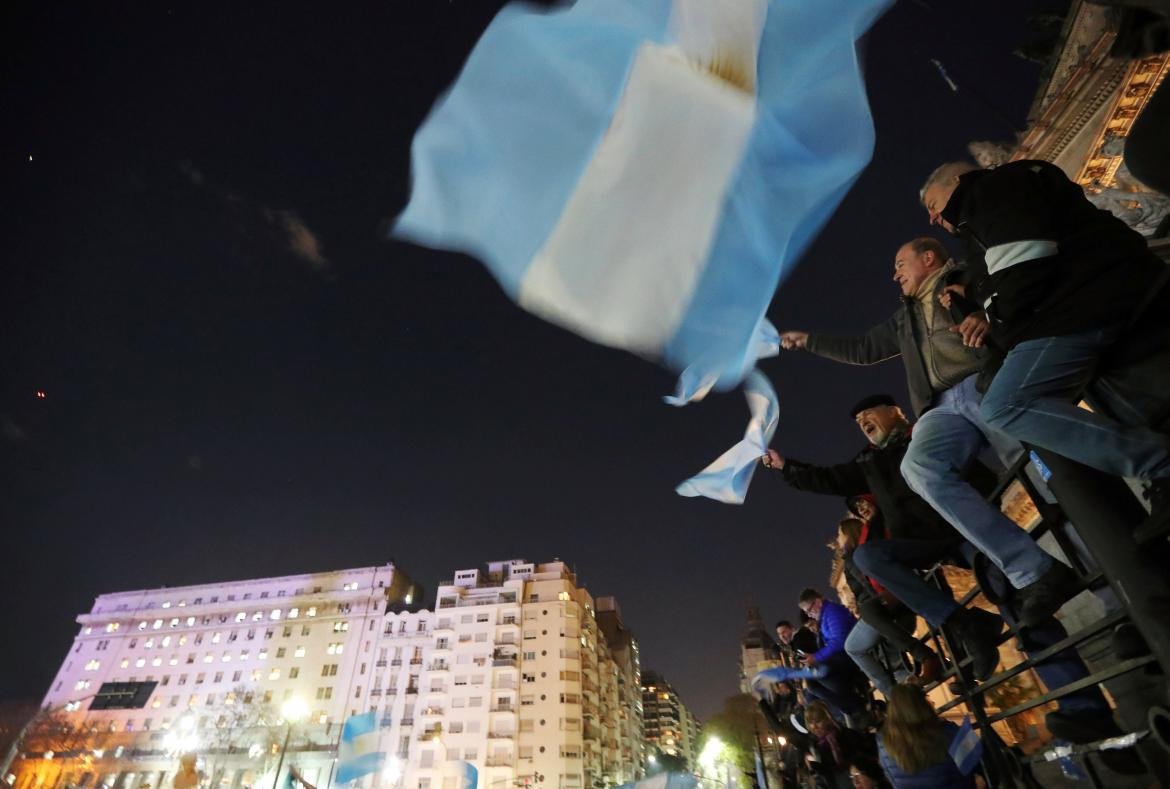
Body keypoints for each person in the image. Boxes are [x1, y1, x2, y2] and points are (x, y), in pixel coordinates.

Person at [764, 394, 1134, 751]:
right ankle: (964, 624)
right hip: (924, 545)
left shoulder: (932, 431)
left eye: (869, 416)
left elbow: (979, 469)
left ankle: (1081, 706)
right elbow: (826, 479)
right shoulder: (868, 463)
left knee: (1011, 595)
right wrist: (785, 468)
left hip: (966, 527)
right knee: (869, 558)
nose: (864, 425)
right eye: (859, 424)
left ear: (896, 412)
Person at [778, 238, 1081, 627]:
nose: (894, 274)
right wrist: (810, 341)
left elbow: (1011, 289)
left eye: (900, 263)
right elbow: (864, 348)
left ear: (929, 258)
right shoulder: (904, 318)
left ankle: (1102, 568)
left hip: (984, 379)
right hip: (939, 406)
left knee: (1039, 471)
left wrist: (984, 314)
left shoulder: (966, 275)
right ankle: (1034, 570)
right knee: (918, 468)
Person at [919, 160, 1170, 511]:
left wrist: (999, 321)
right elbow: (1002, 276)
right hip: (1080, 301)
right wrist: (974, 297)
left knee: (1003, 404)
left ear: (958, 181)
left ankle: (1159, 464)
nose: (931, 217)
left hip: (1086, 303)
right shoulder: (983, 220)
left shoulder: (994, 189)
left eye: (932, 205)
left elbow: (1024, 265)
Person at [835, 517, 941, 695]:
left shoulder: (854, 558)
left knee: (853, 647)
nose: (837, 540)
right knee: (892, 657)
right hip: (886, 610)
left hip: (883, 610)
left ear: (847, 535)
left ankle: (895, 696)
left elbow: (869, 587)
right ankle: (902, 697)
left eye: (839, 535)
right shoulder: (859, 553)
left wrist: (867, 607)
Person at [877, 684, 977, 787]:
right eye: (927, 699)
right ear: (922, 706)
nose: (931, 702)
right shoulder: (947, 731)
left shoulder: (884, 741)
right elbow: (974, 761)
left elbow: (890, 776)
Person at [804, 700, 879, 789]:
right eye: (810, 723)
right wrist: (815, 767)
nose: (814, 727)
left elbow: (861, 759)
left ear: (827, 719)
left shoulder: (845, 734)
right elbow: (829, 774)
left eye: (817, 721)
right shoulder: (817, 745)